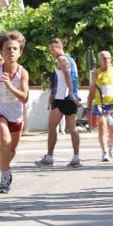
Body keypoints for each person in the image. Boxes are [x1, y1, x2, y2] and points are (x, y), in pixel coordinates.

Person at [0, 30, 29, 194]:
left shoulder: (23, 73)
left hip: (16, 115)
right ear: (1, 52)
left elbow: (24, 98)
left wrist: (10, 86)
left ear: (20, 52)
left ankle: (3, 163)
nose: (11, 51)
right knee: (5, 139)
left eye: (15, 49)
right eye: (8, 49)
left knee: (12, 150)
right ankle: (5, 176)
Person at [35, 38, 83, 168]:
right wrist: (73, 95)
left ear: (59, 47)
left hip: (63, 98)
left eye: (52, 49)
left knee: (52, 127)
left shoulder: (61, 59)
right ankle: (76, 158)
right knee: (72, 129)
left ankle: (49, 157)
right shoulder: (70, 59)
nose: (51, 52)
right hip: (69, 98)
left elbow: (67, 76)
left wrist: (71, 94)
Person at [86, 51, 113, 162]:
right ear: (100, 60)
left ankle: (112, 144)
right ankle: (104, 152)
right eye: (104, 58)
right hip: (100, 105)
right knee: (102, 127)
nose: (107, 60)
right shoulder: (95, 74)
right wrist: (89, 107)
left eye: (108, 58)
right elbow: (91, 92)